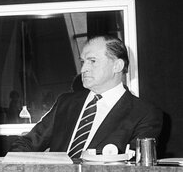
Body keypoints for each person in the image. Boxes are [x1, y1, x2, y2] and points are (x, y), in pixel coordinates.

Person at [9, 35, 162, 156]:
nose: (83, 69)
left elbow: (136, 169)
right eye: (83, 62)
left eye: (92, 61)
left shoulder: (144, 114)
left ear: (117, 66)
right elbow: (28, 143)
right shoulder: (66, 102)